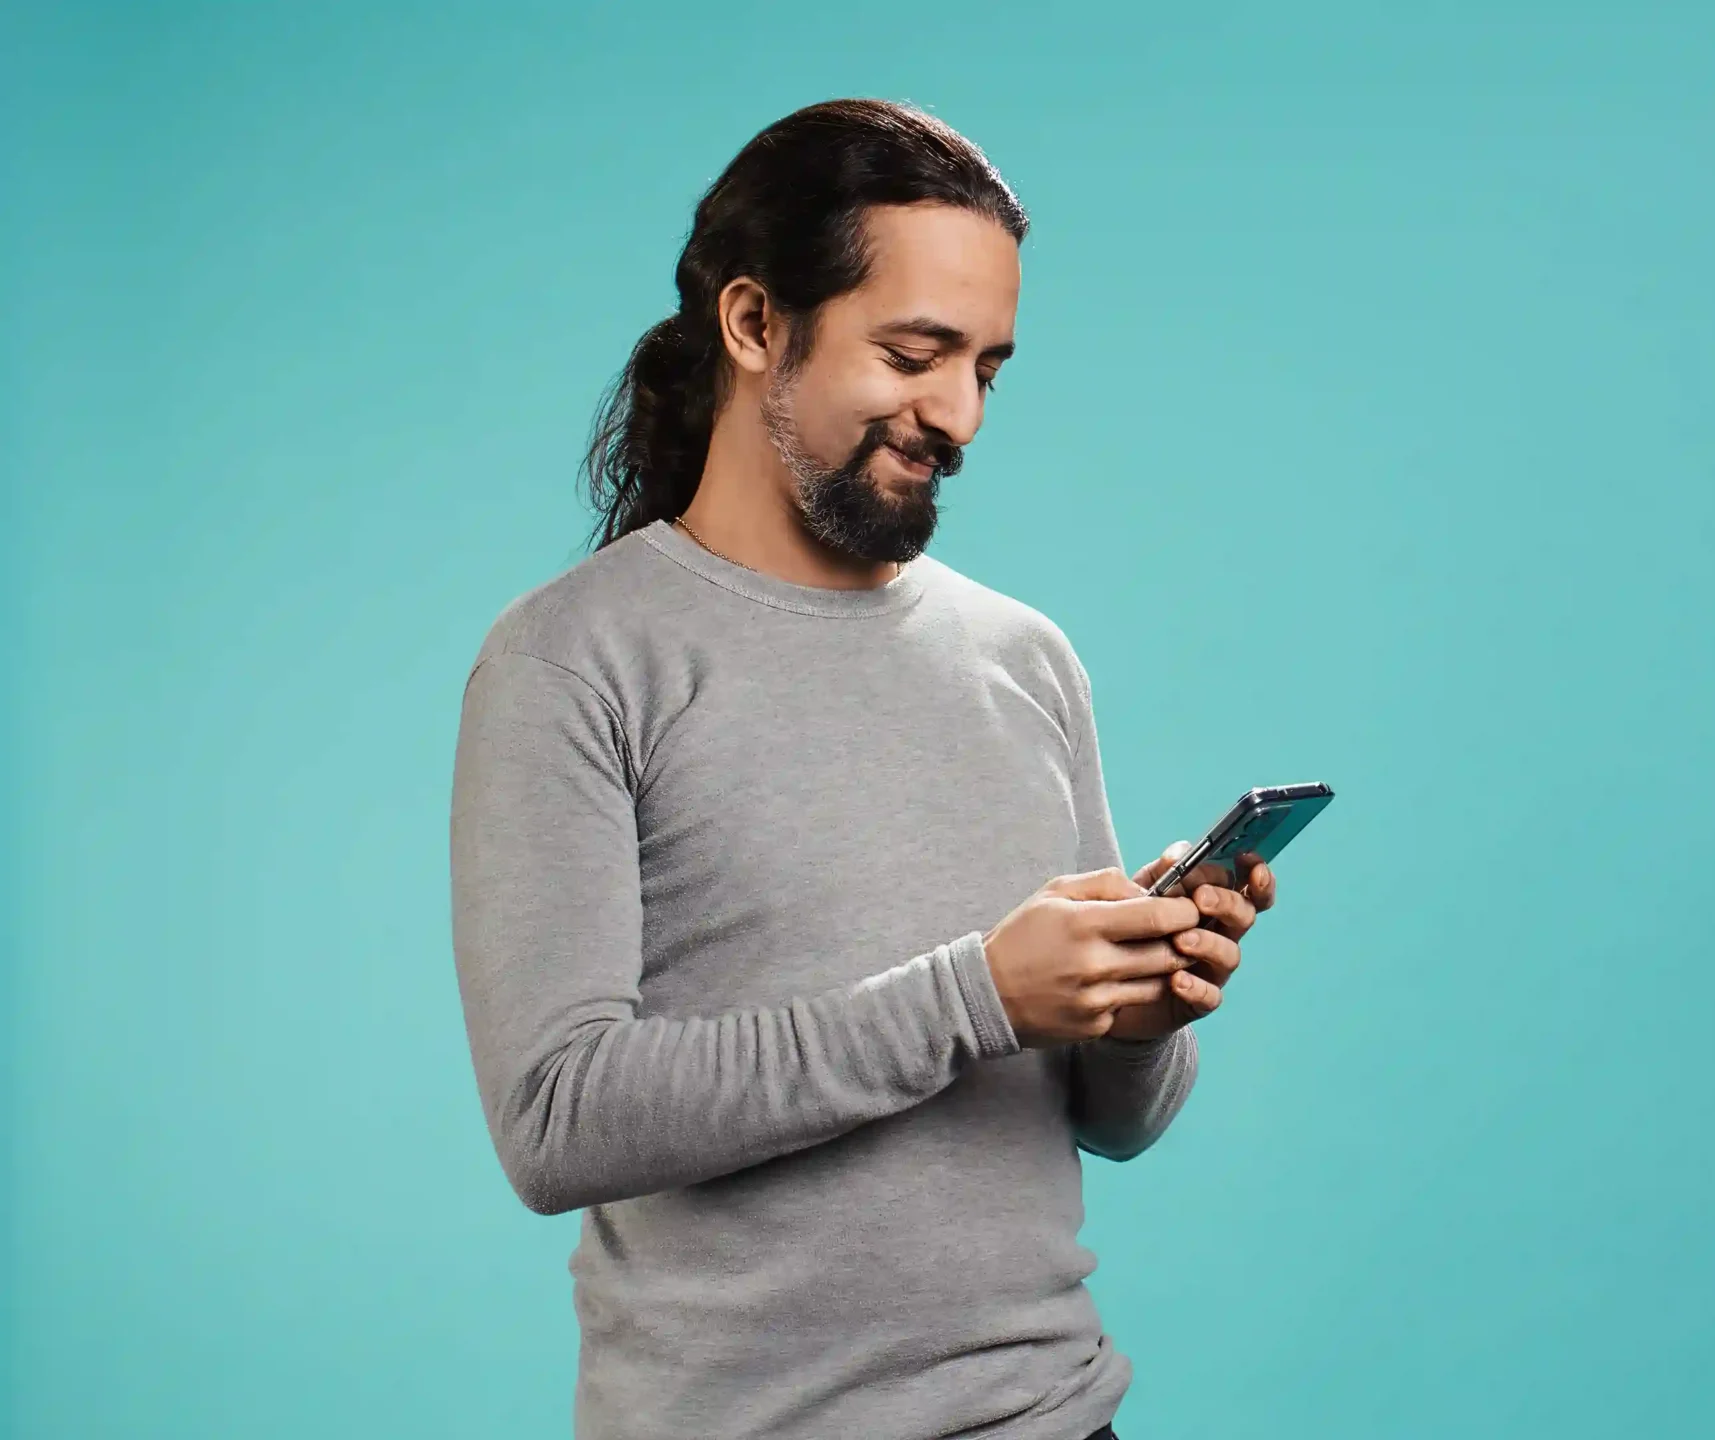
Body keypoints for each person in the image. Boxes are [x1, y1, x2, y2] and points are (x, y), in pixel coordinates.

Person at [447, 98, 1275, 1440]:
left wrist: (1138, 1011)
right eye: (916, 352)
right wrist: (977, 994)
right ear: (756, 323)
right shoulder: (572, 661)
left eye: (989, 368)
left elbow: (1113, 1125)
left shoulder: (1026, 656)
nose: (960, 414)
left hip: (1056, 1416)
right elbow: (558, 1121)